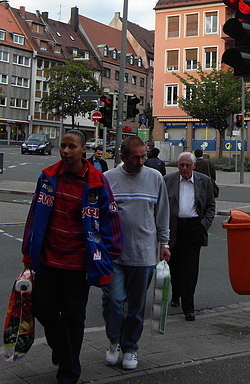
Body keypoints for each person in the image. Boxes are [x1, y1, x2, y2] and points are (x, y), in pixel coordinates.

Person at [21, 129, 122, 383]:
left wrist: (109, 254)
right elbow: (34, 214)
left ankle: (69, 372)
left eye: (72, 147)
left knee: (73, 317)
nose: (66, 151)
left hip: (78, 264)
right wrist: (27, 252)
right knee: (43, 309)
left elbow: (110, 218)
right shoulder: (48, 177)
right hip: (48, 260)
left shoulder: (97, 181)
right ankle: (63, 349)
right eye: (63, 146)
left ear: (83, 150)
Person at [101, 136, 170, 370]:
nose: (141, 162)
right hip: (115, 255)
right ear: (123, 157)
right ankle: (114, 341)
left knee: (137, 307)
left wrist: (164, 242)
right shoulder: (109, 180)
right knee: (114, 300)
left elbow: (161, 213)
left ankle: (130, 347)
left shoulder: (155, 178)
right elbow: (100, 214)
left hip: (144, 255)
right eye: (136, 157)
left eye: (144, 156)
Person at [164, 151, 216, 321]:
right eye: (181, 165)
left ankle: (188, 306)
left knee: (190, 268)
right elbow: (162, 206)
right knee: (174, 265)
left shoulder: (204, 181)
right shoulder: (168, 181)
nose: (184, 168)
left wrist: (203, 226)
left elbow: (210, 206)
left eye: (187, 165)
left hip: (194, 227)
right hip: (174, 227)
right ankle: (175, 293)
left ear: (194, 165)